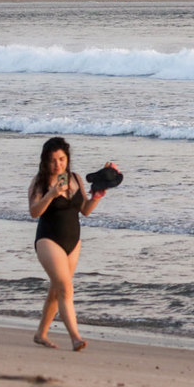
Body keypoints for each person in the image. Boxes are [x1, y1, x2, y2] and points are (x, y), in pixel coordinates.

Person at [27, 136, 118, 351]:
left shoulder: (75, 178)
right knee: (66, 288)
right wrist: (50, 194)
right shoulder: (39, 182)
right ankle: (76, 337)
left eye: (61, 159)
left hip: (73, 241)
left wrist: (97, 196)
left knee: (56, 290)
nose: (57, 164)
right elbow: (33, 212)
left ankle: (41, 334)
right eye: (52, 160)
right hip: (48, 239)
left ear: (67, 159)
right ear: (45, 162)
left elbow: (84, 210)